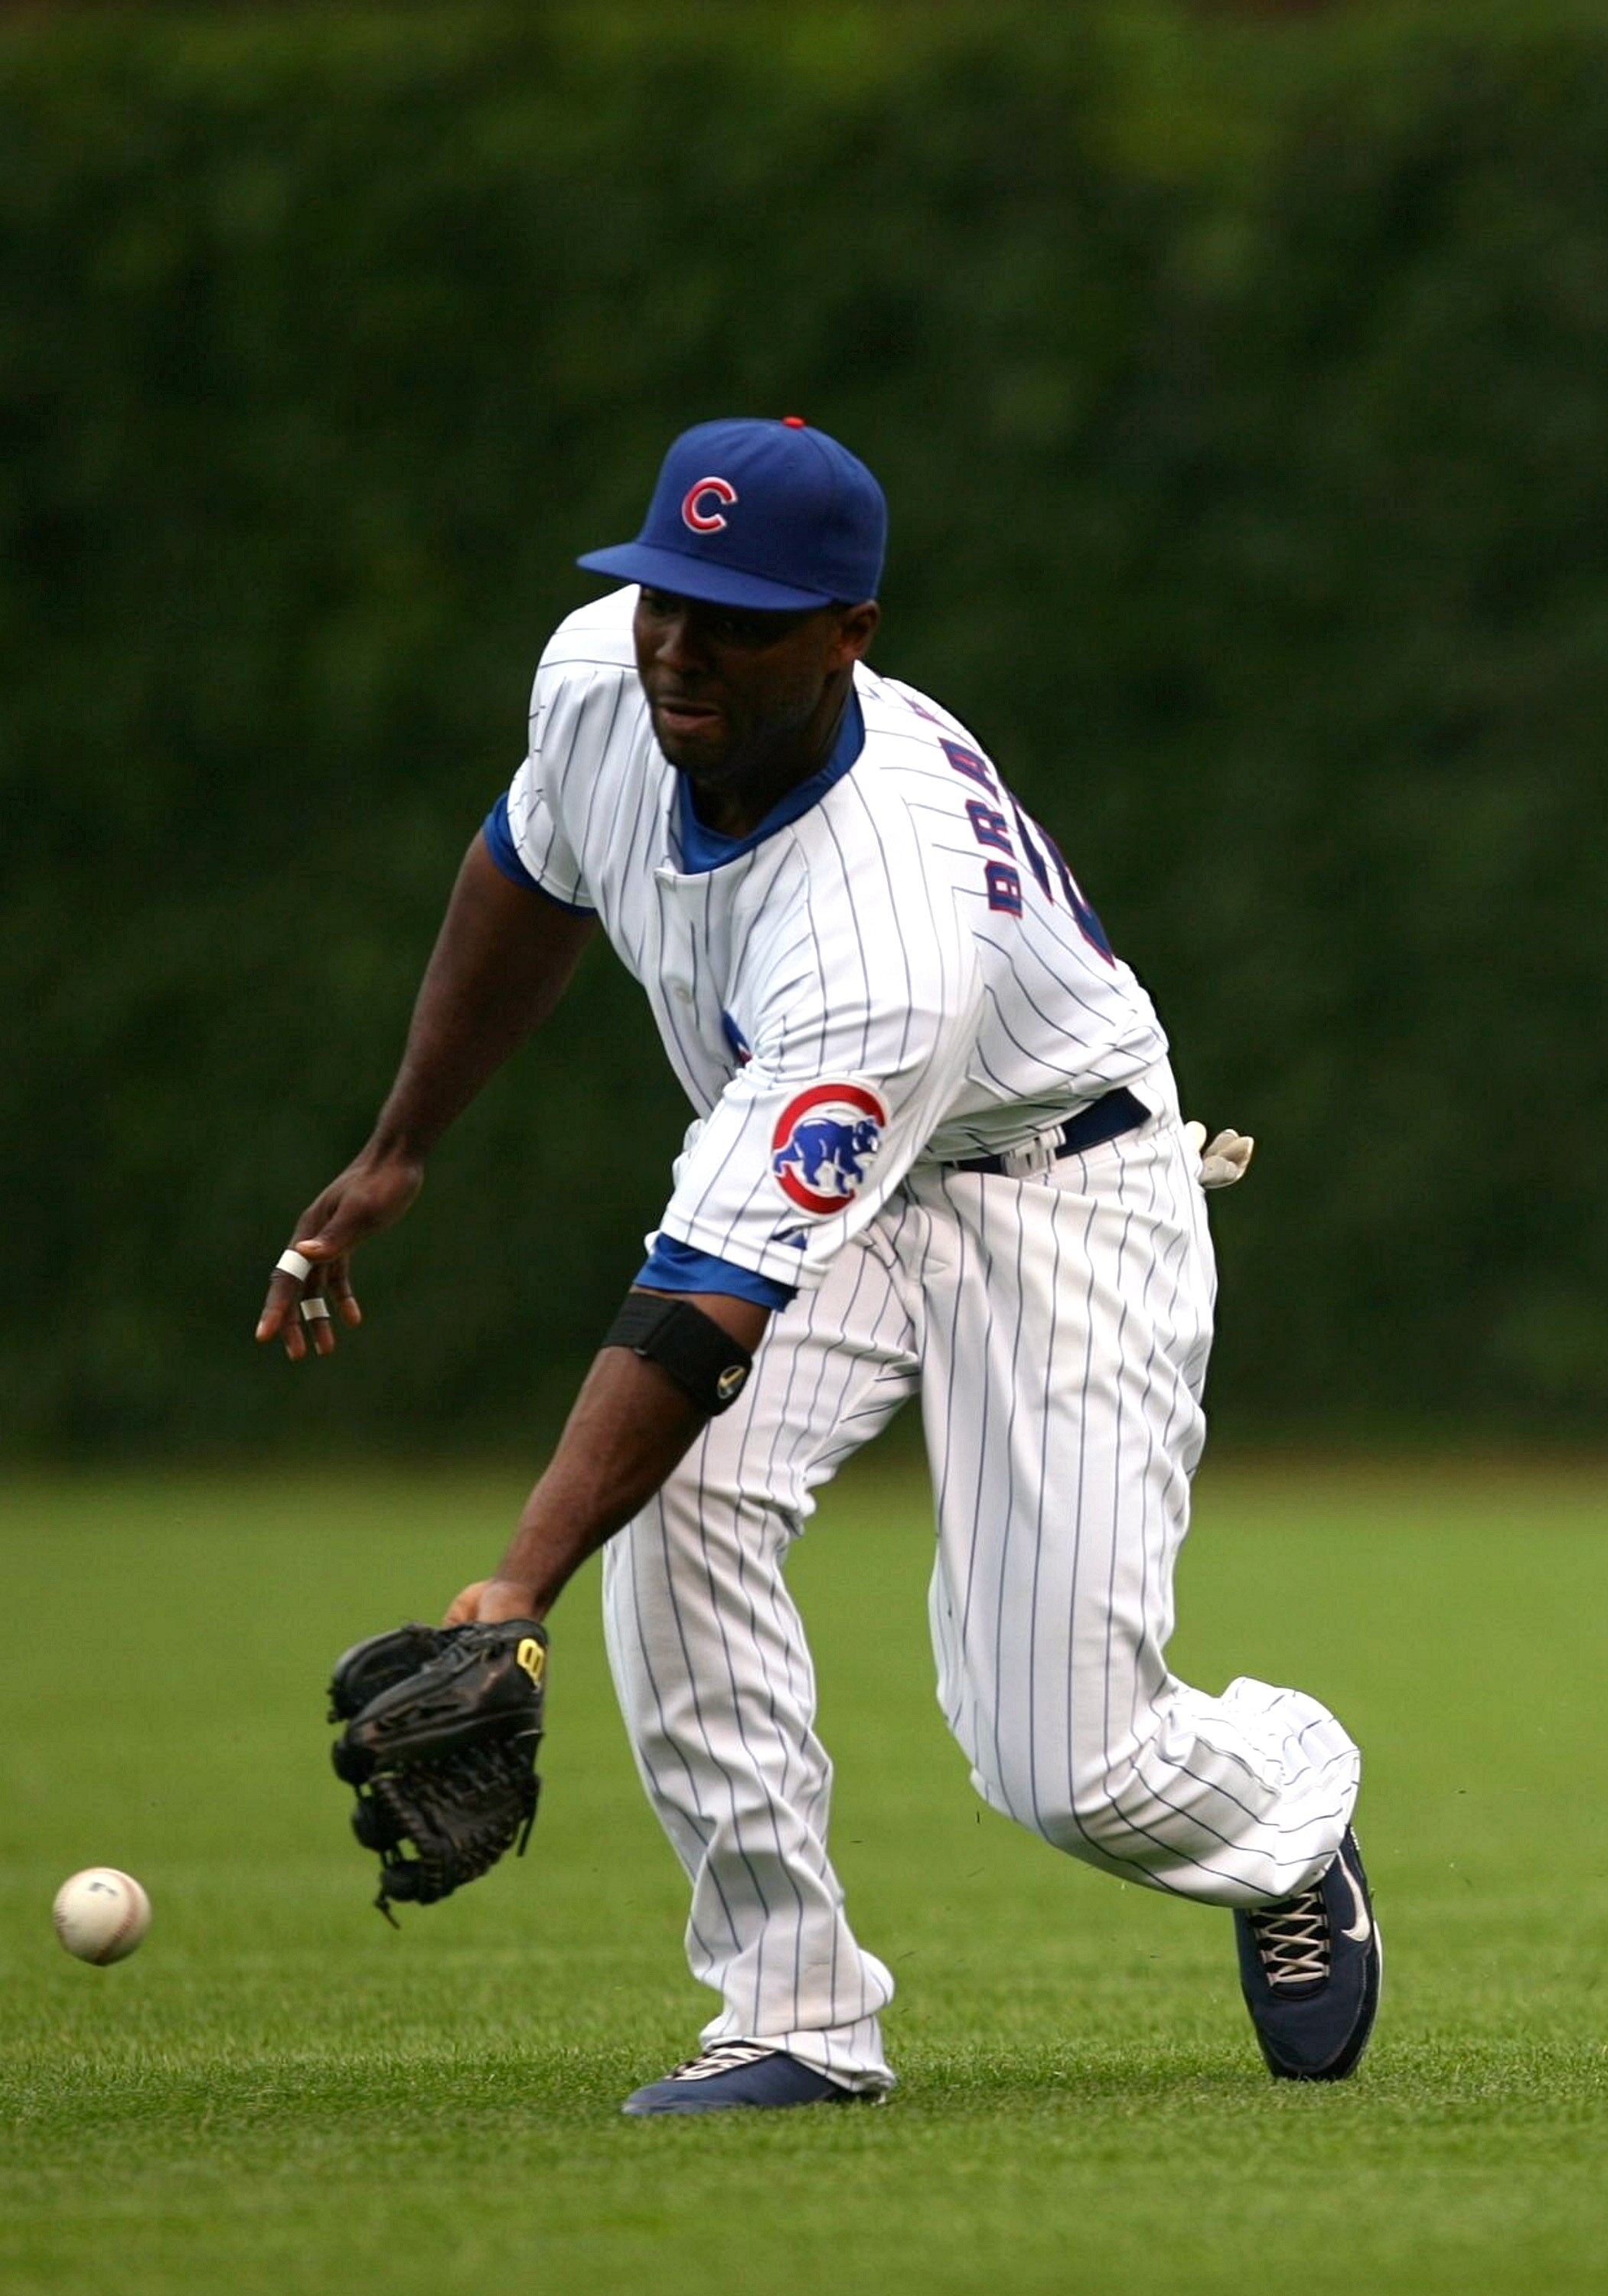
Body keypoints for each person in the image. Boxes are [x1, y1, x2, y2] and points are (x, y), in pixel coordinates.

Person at [256, 416, 1379, 2113]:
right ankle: (791, 2009)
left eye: (739, 615)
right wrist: (401, 1141)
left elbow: (705, 1314)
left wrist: (509, 1595)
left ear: (848, 632)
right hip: (836, 1158)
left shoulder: (885, 923)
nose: (680, 644)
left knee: (1067, 1766)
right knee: (684, 1509)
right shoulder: (600, 679)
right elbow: (530, 865)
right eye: (663, 593)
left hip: (1053, 1184)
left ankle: (1287, 1811)